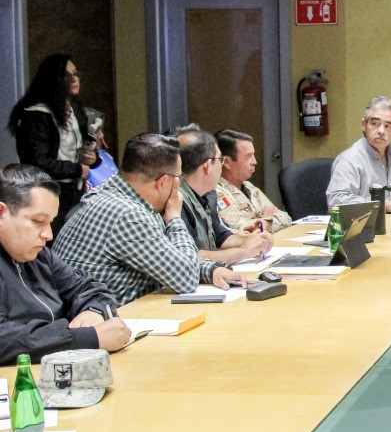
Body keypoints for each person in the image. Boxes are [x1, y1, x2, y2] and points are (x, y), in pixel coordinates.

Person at [55, 133, 246, 305]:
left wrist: (211, 271)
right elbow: (186, 278)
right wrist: (175, 218)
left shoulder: (124, 196)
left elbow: (170, 257)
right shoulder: (127, 214)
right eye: (177, 178)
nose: (178, 185)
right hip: (111, 318)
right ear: (162, 182)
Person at [0, 165, 130, 364]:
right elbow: (4, 339)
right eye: (38, 221)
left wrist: (93, 311)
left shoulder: (40, 256)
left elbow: (89, 288)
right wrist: (86, 338)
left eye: (50, 222)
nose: (48, 235)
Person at [7, 54, 100, 234]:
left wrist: (92, 157)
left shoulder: (75, 109)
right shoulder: (37, 115)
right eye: (67, 75)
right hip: (49, 190)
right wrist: (76, 169)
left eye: (76, 74)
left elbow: (81, 146)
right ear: (54, 79)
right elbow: (36, 162)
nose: (75, 79)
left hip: (76, 189)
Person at [175, 129, 273, 263]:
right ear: (207, 166)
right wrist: (243, 252)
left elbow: (220, 236)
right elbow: (190, 257)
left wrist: (255, 239)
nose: (221, 166)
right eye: (220, 160)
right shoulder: (176, 201)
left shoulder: (207, 193)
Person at [327, 96, 391, 212]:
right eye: (375, 124)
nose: (381, 131)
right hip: (360, 223)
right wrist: (384, 206)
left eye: (387, 126)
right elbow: (336, 202)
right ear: (364, 125)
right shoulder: (349, 160)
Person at [214, 129, 291, 233]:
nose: (254, 162)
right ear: (227, 162)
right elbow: (241, 230)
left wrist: (265, 222)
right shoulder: (216, 193)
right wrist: (265, 220)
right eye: (248, 157)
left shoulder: (248, 186)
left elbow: (285, 218)